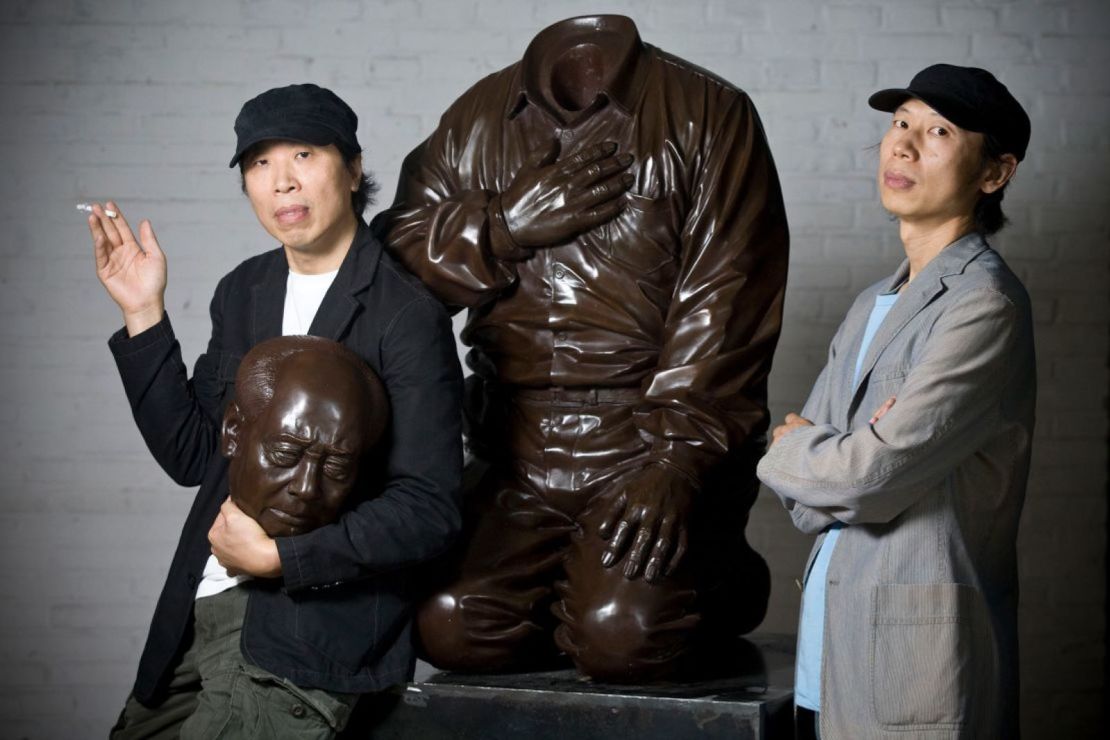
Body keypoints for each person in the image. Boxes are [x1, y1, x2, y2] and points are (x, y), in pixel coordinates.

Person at [374, 14, 788, 681]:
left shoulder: (708, 112)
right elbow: (389, 267)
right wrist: (502, 225)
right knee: (448, 625)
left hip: (644, 441)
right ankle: (583, 593)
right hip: (515, 451)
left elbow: (728, 302)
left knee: (619, 638)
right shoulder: (475, 120)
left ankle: (713, 576)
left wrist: (677, 463)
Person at [87, 83, 463, 739]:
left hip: (306, 635)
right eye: (259, 163)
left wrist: (286, 560)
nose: (282, 182)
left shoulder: (405, 314)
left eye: (304, 155)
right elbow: (199, 456)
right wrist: (143, 313)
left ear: (351, 168)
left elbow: (428, 508)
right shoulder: (245, 290)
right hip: (195, 614)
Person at [757, 64, 1034, 739]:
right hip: (830, 656)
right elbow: (807, 501)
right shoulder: (868, 305)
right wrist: (831, 459)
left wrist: (802, 449)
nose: (904, 146)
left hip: (915, 665)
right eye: (900, 124)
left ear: (995, 173)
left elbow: (864, 482)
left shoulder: (982, 306)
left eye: (938, 130)